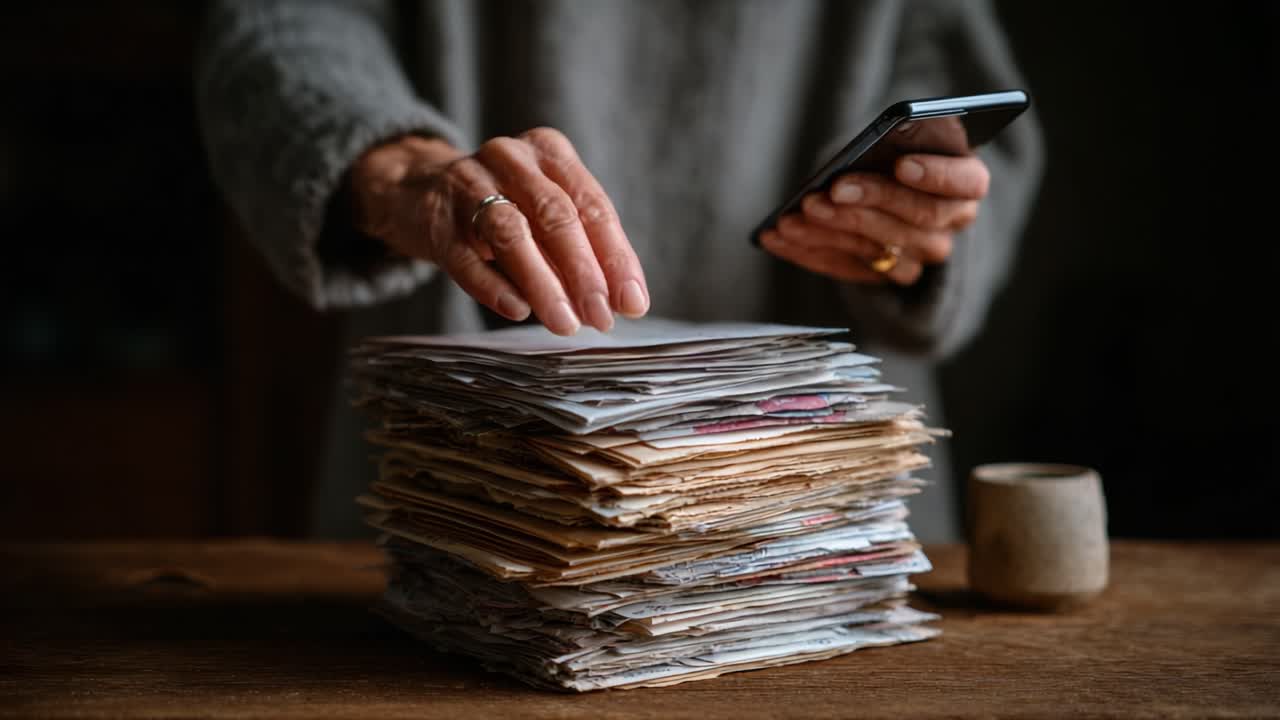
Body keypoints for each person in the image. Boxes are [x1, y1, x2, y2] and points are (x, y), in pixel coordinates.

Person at [196, 0, 1043, 541]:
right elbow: (277, 25)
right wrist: (394, 167)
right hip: (468, 488)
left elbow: (961, 81)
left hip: (819, 510)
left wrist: (920, 217)